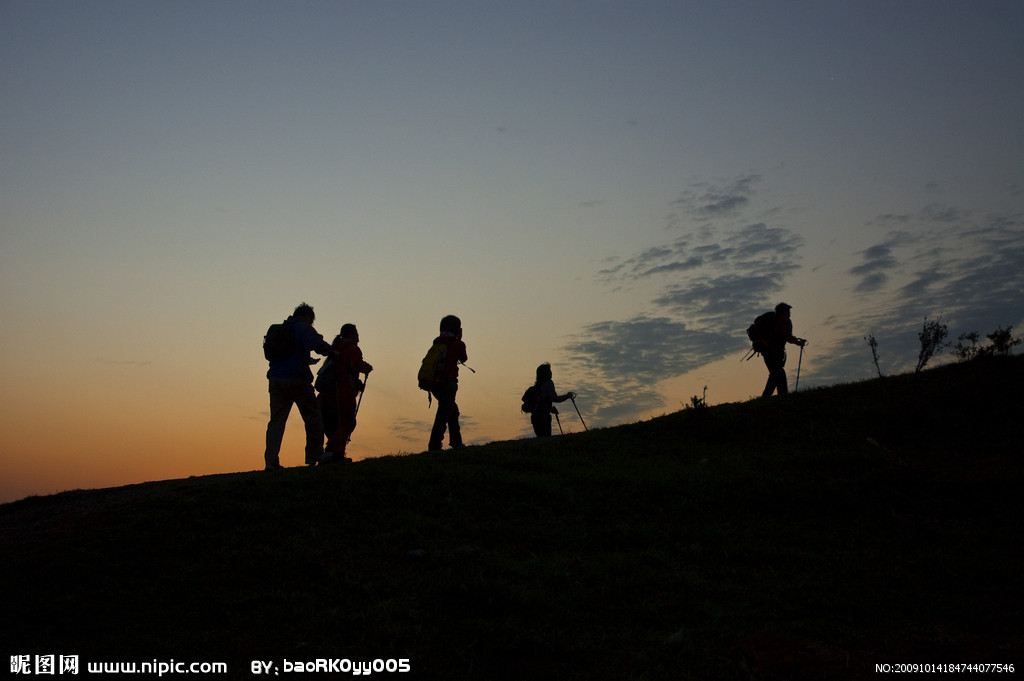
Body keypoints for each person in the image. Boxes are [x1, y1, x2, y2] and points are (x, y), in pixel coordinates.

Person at [264, 303, 336, 470]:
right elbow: (319, 345)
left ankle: (271, 461)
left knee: (276, 421)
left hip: (275, 379)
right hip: (297, 379)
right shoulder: (302, 328)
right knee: (313, 415)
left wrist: (307, 360)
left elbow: (288, 353)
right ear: (307, 317)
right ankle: (315, 453)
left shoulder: (282, 329)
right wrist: (333, 352)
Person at [318, 323, 373, 465]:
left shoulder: (336, 347)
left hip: (328, 394)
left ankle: (332, 452)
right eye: (357, 334)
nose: (359, 338)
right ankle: (334, 453)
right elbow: (356, 364)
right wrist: (367, 367)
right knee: (347, 422)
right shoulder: (352, 348)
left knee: (334, 423)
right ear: (352, 334)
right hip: (343, 393)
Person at [427, 315, 468, 452]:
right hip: (449, 383)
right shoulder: (458, 344)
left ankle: (456, 442)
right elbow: (464, 359)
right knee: (443, 414)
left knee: (452, 411)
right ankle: (434, 446)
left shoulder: (437, 342)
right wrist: (460, 339)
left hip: (435, 384)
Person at [756, 302, 807, 397]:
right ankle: (777, 396)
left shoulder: (771, 320)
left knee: (776, 374)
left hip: (766, 351)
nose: (789, 313)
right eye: (788, 311)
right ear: (784, 312)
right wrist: (798, 342)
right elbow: (787, 336)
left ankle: (774, 396)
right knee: (778, 374)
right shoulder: (784, 320)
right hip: (776, 351)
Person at [528, 363, 575, 437]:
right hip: (544, 417)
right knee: (546, 438)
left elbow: (540, 403)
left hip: (534, 417)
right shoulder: (549, 383)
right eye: (549, 371)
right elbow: (555, 398)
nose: (551, 373)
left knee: (540, 439)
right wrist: (567, 396)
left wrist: (550, 409)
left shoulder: (537, 387)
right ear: (546, 373)